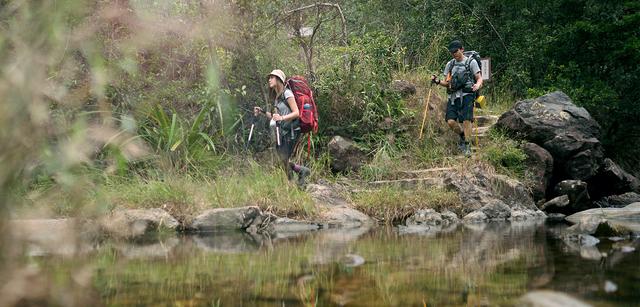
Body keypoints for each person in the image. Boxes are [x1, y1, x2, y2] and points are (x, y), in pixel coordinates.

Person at [254, 69, 311, 186]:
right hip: (283, 132)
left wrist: (282, 119)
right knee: (282, 160)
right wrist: (262, 112)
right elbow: (276, 117)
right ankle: (302, 171)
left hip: (292, 132)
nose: (269, 80)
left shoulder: (287, 93)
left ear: (279, 79)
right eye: (269, 78)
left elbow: (296, 113)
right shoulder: (277, 97)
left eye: (272, 77)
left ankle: (292, 183)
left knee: (283, 159)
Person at [431, 40, 483, 156]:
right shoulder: (450, 64)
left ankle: (467, 145)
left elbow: (479, 78)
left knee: (466, 120)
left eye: (456, 51)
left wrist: (477, 85)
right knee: (450, 121)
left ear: (462, 49)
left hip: (467, 95)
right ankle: (462, 136)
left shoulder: (471, 62)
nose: (454, 53)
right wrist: (437, 81)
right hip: (453, 96)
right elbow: (447, 83)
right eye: (452, 52)